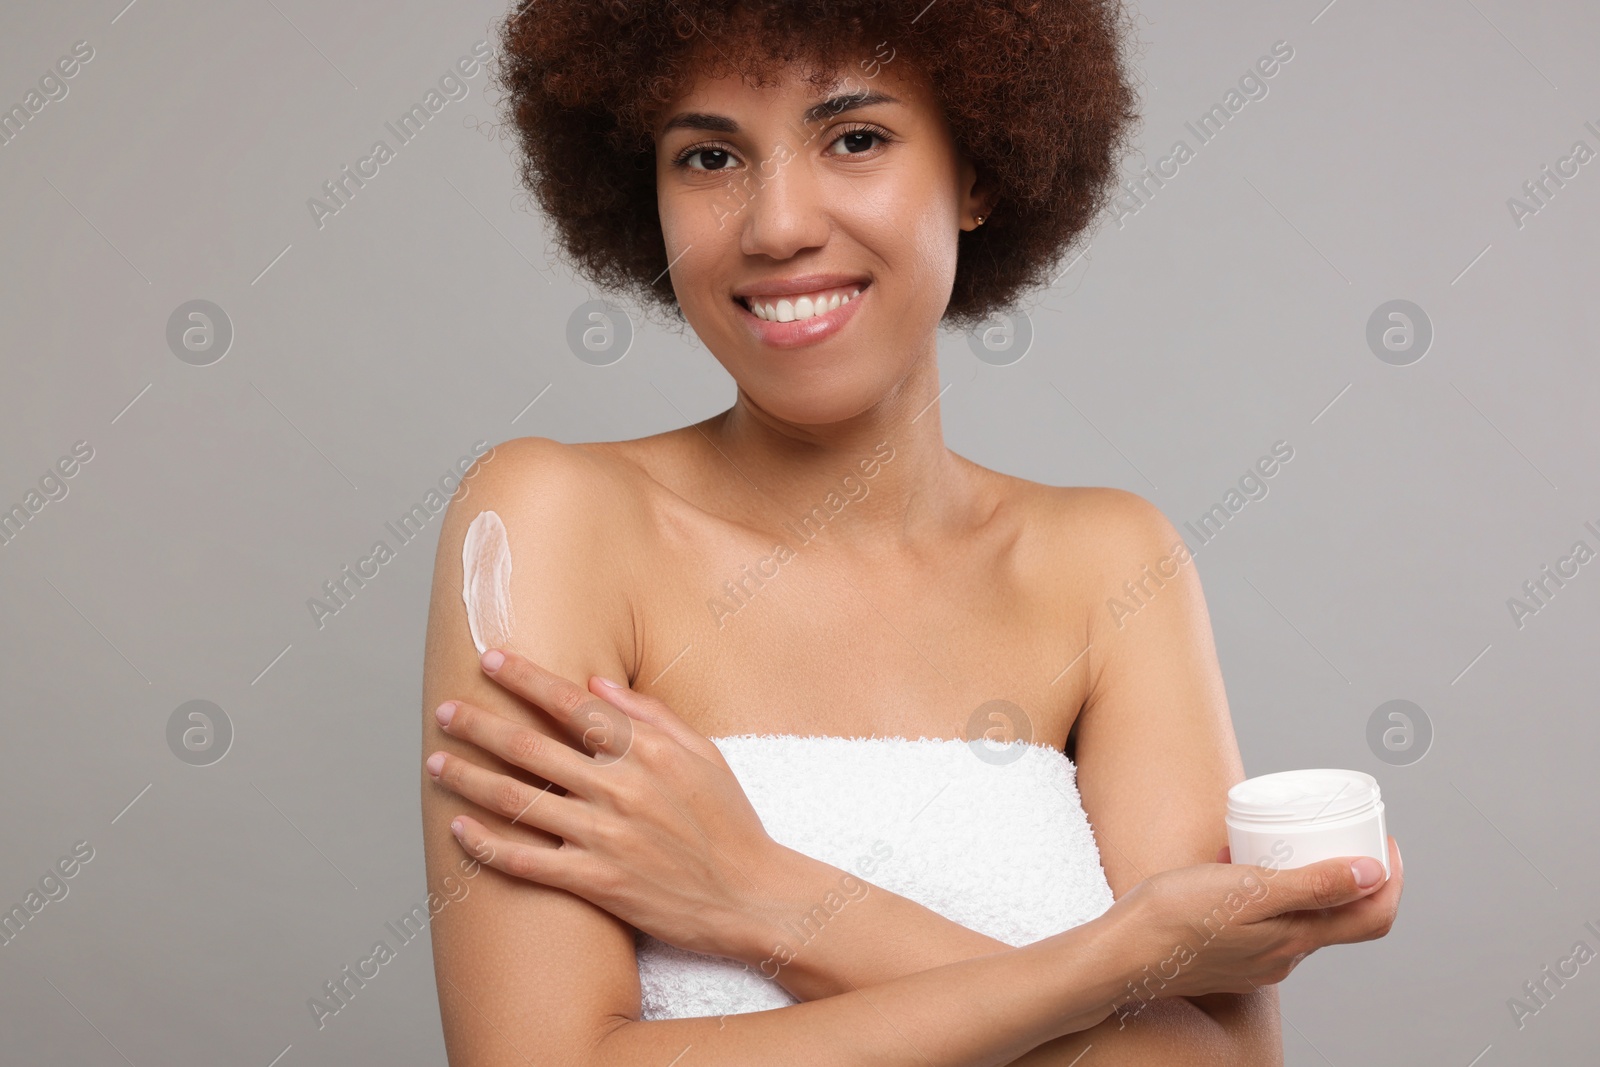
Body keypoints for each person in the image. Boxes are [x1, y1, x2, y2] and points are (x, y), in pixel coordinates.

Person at [418, 2, 1404, 1063]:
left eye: (855, 138)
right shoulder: (556, 520)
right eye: (708, 156)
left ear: (977, 171)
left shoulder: (1104, 565)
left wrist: (764, 892)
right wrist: (1116, 962)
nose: (776, 224)